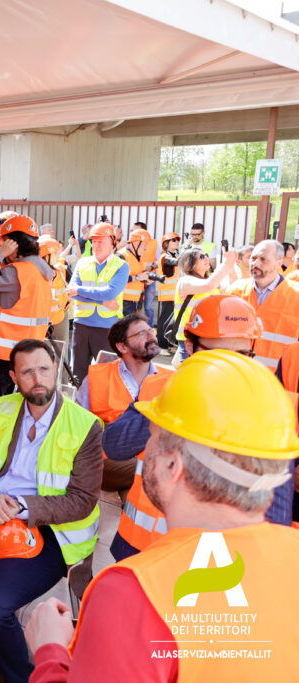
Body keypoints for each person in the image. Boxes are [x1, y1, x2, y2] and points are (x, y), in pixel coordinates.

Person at [26, 350, 299, 681]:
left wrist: (50, 649)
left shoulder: (132, 593)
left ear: (172, 465)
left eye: (152, 436)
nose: (145, 449)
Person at [0, 339, 102, 683]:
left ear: (55, 370)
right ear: (13, 376)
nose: (38, 379)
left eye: (44, 369)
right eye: (27, 372)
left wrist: (18, 508)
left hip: (51, 528)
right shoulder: (2, 407)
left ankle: (24, 678)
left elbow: (82, 500)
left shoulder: (86, 425)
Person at [101, 295, 292, 561]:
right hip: (138, 547)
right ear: (190, 346)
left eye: (242, 355)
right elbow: (113, 445)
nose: (230, 365)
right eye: (217, 355)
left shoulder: (268, 411)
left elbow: (275, 515)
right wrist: (176, 403)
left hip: (205, 565)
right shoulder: (159, 388)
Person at [76, 313, 170, 492]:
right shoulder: (97, 377)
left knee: (137, 489)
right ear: (122, 346)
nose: (151, 336)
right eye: (141, 334)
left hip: (149, 460)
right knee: (151, 471)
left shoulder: (171, 379)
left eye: (151, 331)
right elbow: (76, 426)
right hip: (105, 459)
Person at [0, 214, 54, 409]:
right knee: (19, 408)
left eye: (5, 242)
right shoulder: (41, 269)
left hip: (4, 357)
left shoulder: (16, 272)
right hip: (30, 353)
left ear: (14, 243)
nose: (1, 246)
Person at [67, 222, 129, 384]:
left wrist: (79, 290)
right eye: (94, 241)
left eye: (101, 241)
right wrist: (103, 301)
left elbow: (110, 293)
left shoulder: (122, 266)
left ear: (113, 242)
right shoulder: (83, 263)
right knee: (78, 374)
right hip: (81, 326)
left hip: (107, 328)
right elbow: (71, 292)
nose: (96, 245)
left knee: (107, 375)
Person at [226, 239, 299, 370]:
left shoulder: (296, 295)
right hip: (237, 372)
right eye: (253, 258)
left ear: (279, 263)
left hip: (277, 377)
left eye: (263, 259)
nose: (256, 263)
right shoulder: (234, 291)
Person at [171, 246, 236, 364]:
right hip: (190, 340)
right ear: (190, 264)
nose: (206, 258)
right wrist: (227, 263)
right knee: (191, 373)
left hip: (209, 338)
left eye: (206, 255)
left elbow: (233, 286)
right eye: (201, 257)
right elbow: (208, 285)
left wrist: (231, 265)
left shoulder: (211, 282)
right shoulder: (185, 281)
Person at [38, 236, 69, 345]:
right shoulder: (34, 274)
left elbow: (71, 285)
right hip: (41, 322)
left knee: (62, 350)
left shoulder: (61, 268)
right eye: (55, 254)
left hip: (60, 319)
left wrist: (69, 299)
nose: (58, 256)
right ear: (46, 256)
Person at [118, 228, 155, 318]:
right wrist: (138, 277)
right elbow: (117, 279)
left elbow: (141, 275)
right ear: (135, 243)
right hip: (124, 302)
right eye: (144, 244)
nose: (146, 248)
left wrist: (147, 280)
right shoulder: (121, 256)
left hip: (136, 302)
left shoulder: (139, 258)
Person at [155, 233, 181, 351]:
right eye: (173, 240)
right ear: (166, 244)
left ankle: (169, 344)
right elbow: (178, 262)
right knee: (165, 321)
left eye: (177, 240)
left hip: (175, 295)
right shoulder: (164, 257)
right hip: (167, 295)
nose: (177, 242)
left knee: (172, 321)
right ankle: (161, 346)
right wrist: (188, 246)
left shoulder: (175, 255)